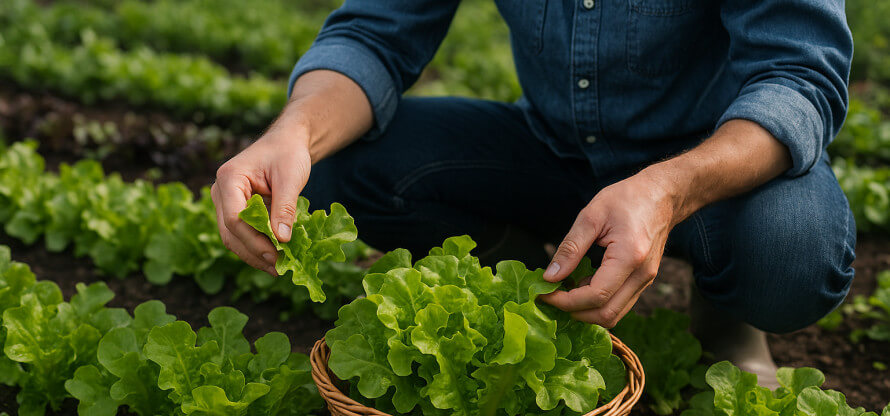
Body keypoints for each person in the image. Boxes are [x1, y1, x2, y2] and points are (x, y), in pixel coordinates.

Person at [211, 0, 856, 387]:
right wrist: (292, 133)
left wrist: (667, 189)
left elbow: (799, 75)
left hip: (707, 167)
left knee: (792, 250)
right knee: (338, 163)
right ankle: (522, 276)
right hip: (553, 147)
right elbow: (375, 34)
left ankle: (725, 312)